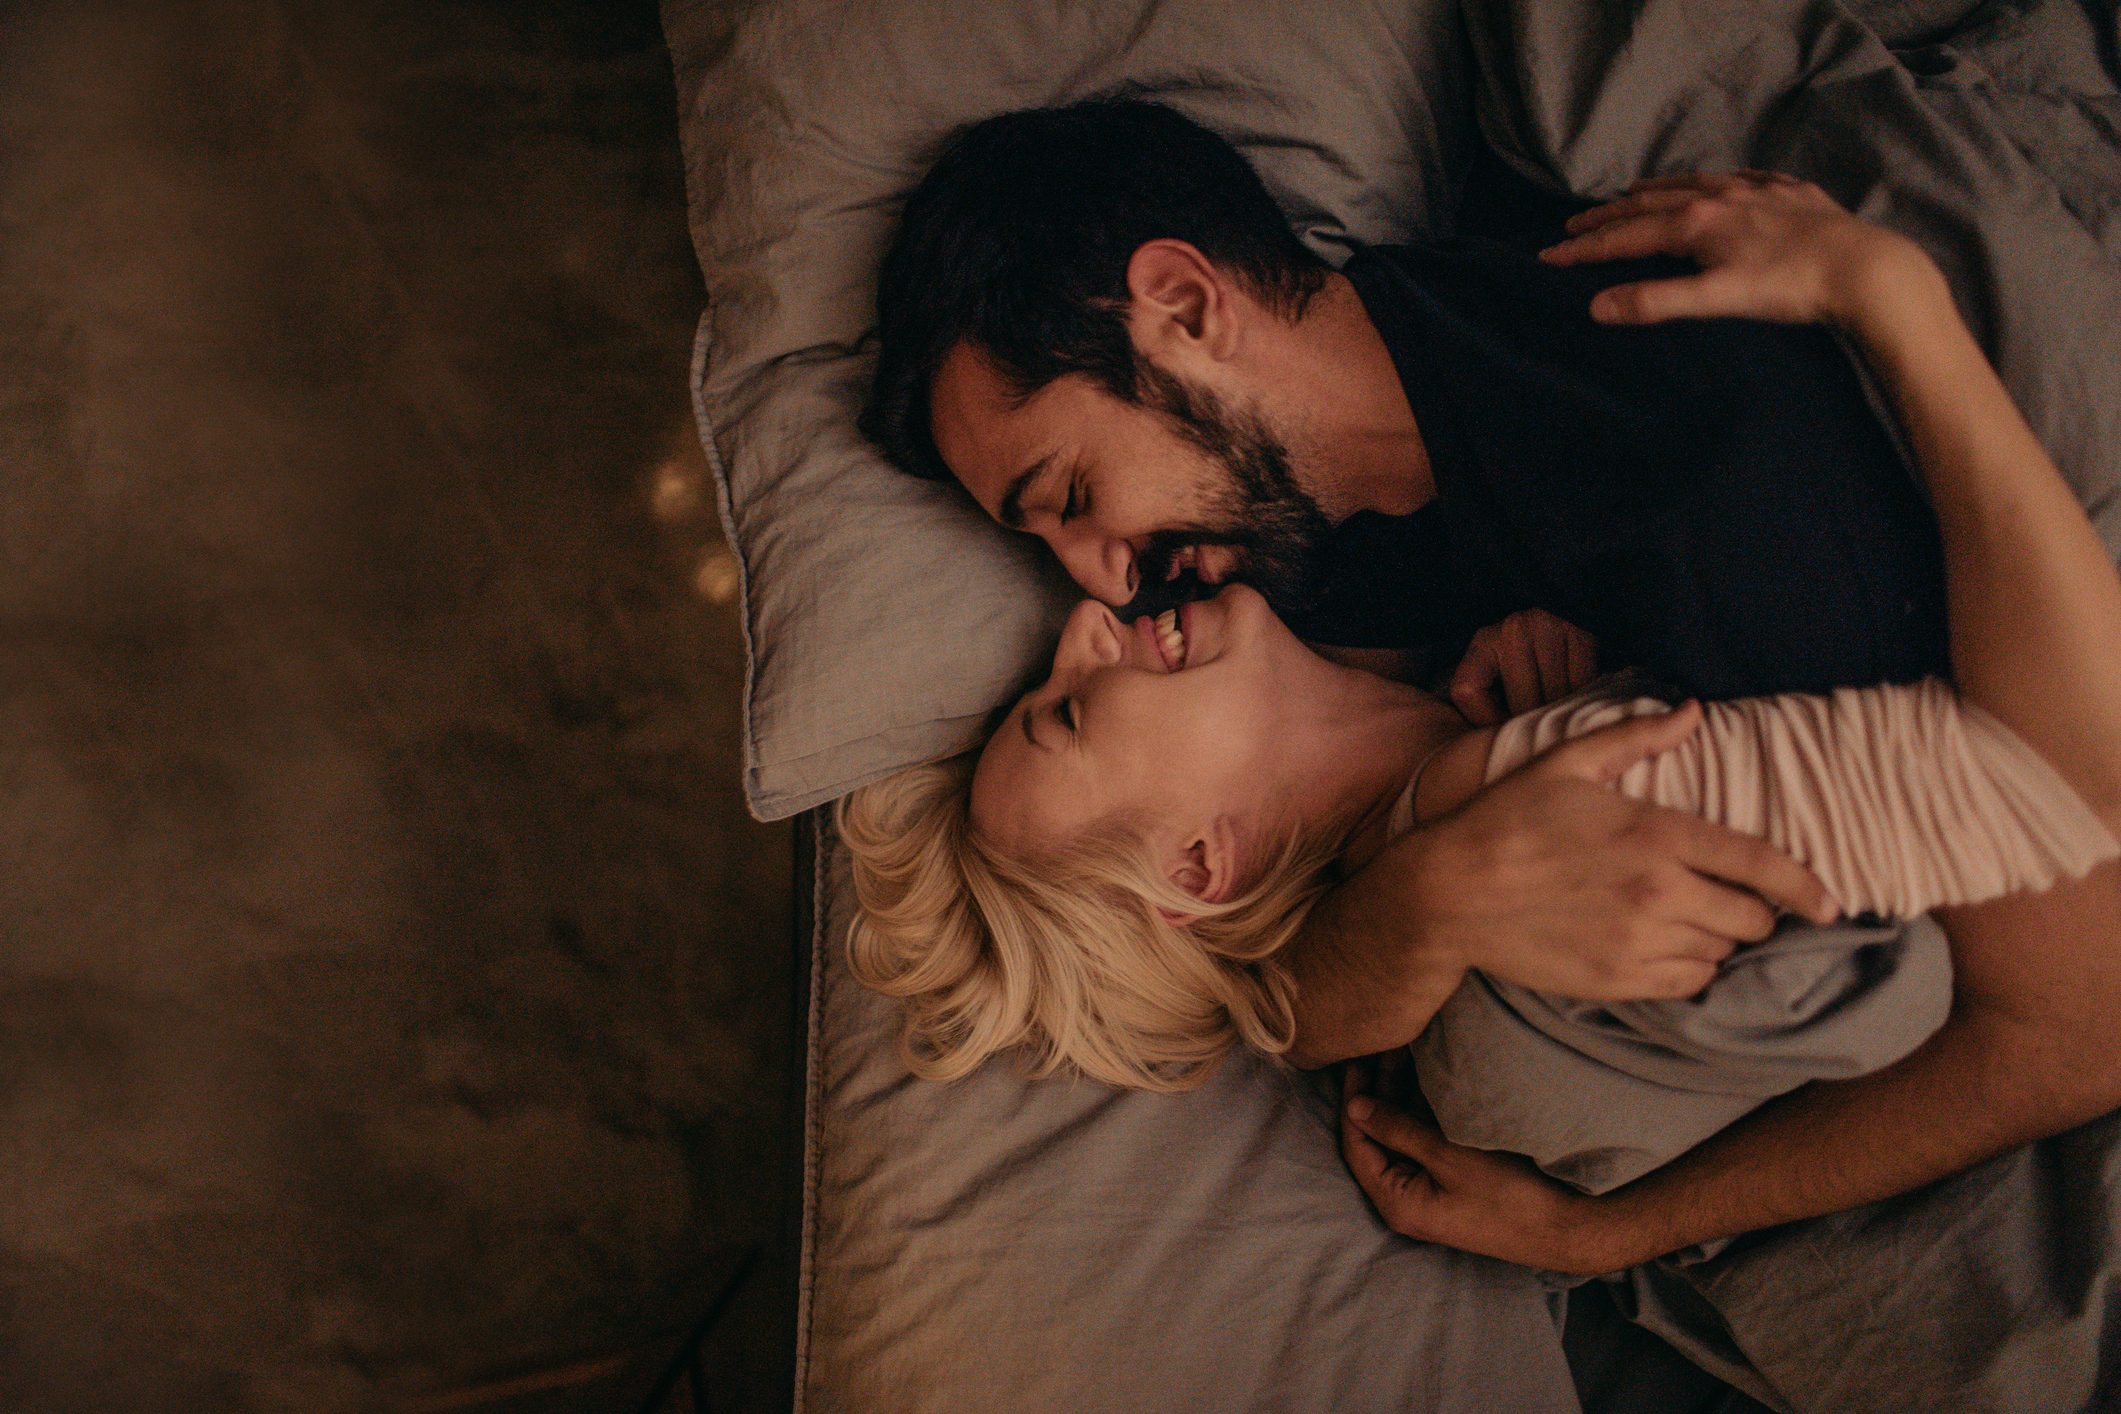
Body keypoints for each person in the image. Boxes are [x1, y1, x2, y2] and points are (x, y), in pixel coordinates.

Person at [856, 97, 2121, 1271]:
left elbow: (2076, 1020)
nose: (1101, 593)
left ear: (1185, 305)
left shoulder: (1721, 497)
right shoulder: (1298, 577)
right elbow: (1277, 998)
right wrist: (1441, 886)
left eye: (1072, 497)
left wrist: (1896, 299)